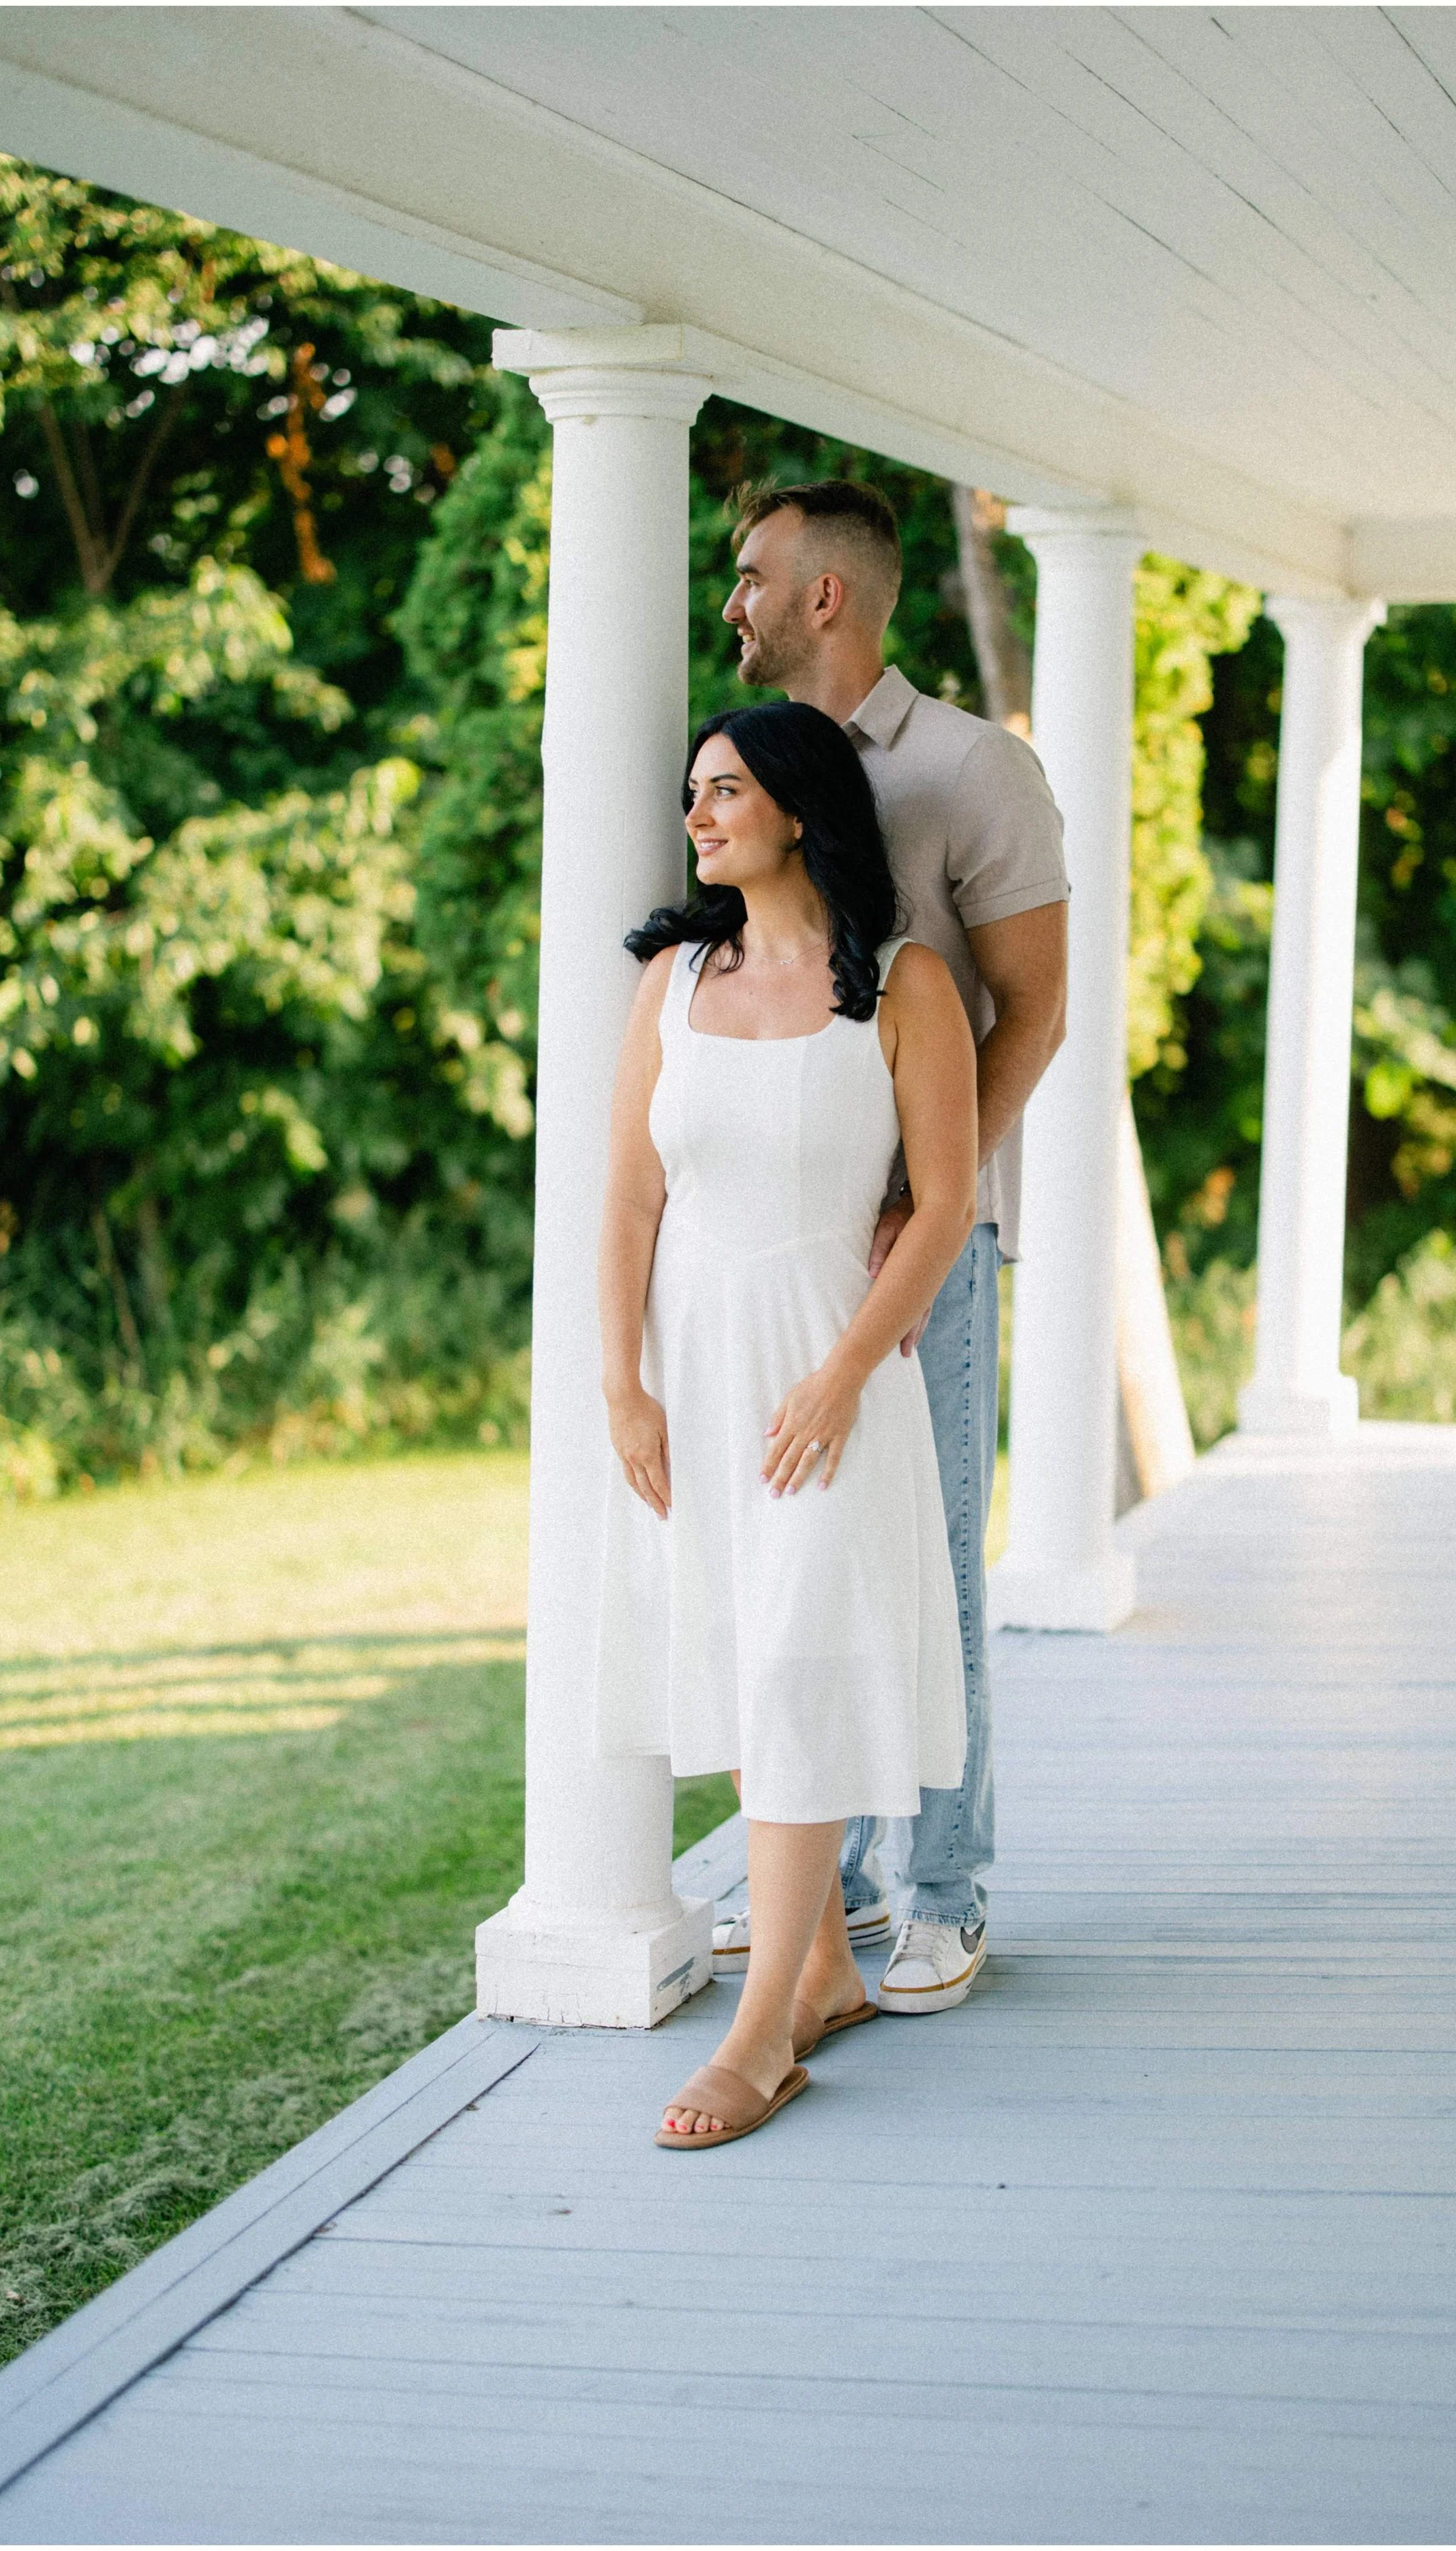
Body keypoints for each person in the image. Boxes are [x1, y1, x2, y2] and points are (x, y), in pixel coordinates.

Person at [595, 700, 979, 2146]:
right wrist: (621, 1384)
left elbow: (943, 1204)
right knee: (747, 1653)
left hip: (829, 1379)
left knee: (803, 1659)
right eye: (692, 793)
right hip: (691, 1370)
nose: (697, 815)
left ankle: (761, 2037)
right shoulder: (672, 983)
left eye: (725, 790)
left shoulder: (903, 986)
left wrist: (842, 1374)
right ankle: (821, 1969)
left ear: (801, 808)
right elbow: (627, 1196)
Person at [713, 479, 1070, 2014]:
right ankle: (837, 1879)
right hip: (780, 1245)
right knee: (808, 1560)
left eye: (751, 575)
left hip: (928, 1241)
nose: (732, 600)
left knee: (929, 1562)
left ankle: (941, 1886)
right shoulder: (757, 767)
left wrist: (927, 1194)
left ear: (826, 597)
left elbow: (1033, 1010)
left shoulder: (974, 769)